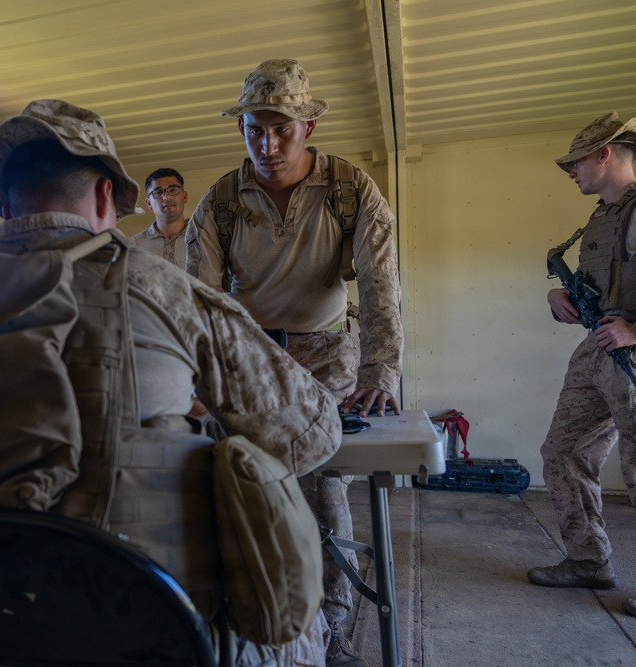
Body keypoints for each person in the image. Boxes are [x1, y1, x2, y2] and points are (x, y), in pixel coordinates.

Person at [0, 99, 347, 666]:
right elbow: (309, 435)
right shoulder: (164, 287)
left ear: (5, 205)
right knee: (304, 633)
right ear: (108, 195)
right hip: (146, 633)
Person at [185, 58, 404, 666]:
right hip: (248, 354)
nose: (268, 143)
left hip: (327, 352)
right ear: (242, 129)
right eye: (256, 128)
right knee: (228, 476)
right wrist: (193, 378)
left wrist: (379, 373)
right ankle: (249, 618)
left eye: (282, 128)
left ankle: (329, 631)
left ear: (308, 127)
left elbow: (382, 287)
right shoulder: (222, 199)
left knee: (323, 483)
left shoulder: (350, 188)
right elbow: (195, 299)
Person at [527, 112, 636, 621]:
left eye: (576, 161)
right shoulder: (600, 217)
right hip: (598, 346)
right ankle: (588, 559)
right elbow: (595, 283)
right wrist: (559, 295)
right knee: (563, 452)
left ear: (605, 154)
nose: (571, 171)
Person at [128, 167, 189, 268]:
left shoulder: (203, 240)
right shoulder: (132, 247)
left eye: (173, 190)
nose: (166, 197)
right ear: (149, 203)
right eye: (158, 192)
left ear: (184, 196)